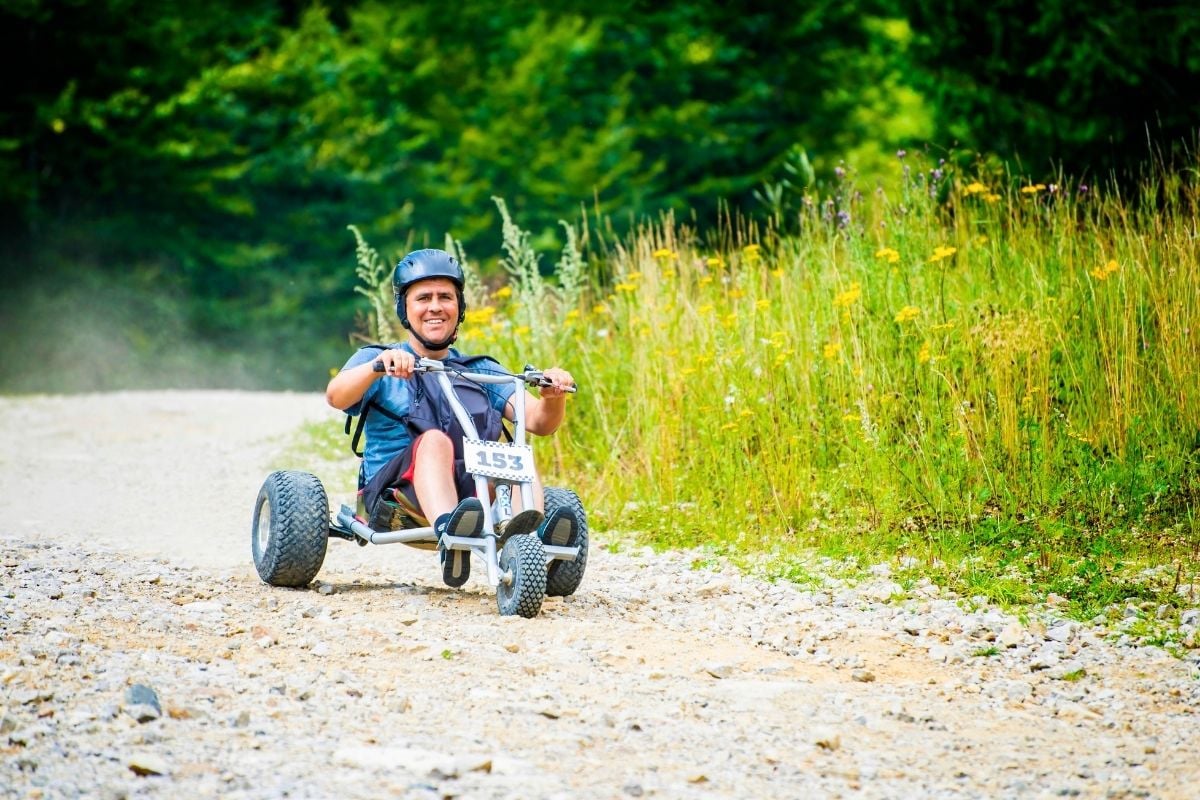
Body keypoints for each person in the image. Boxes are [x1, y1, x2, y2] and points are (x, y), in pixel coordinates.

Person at [325, 248, 578, 588]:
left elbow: (538, 422)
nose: (435, 306)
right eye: (423, 298)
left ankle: (526, 541)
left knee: (513, 453)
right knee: (433, 441)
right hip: (396, 497)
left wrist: (553, 396)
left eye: (445, 297)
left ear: (459, 308)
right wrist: (377, 368)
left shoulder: (480, 370)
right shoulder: (379, 358)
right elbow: (336, 395)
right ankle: (450, 534)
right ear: (405, 308)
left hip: (469, 495)